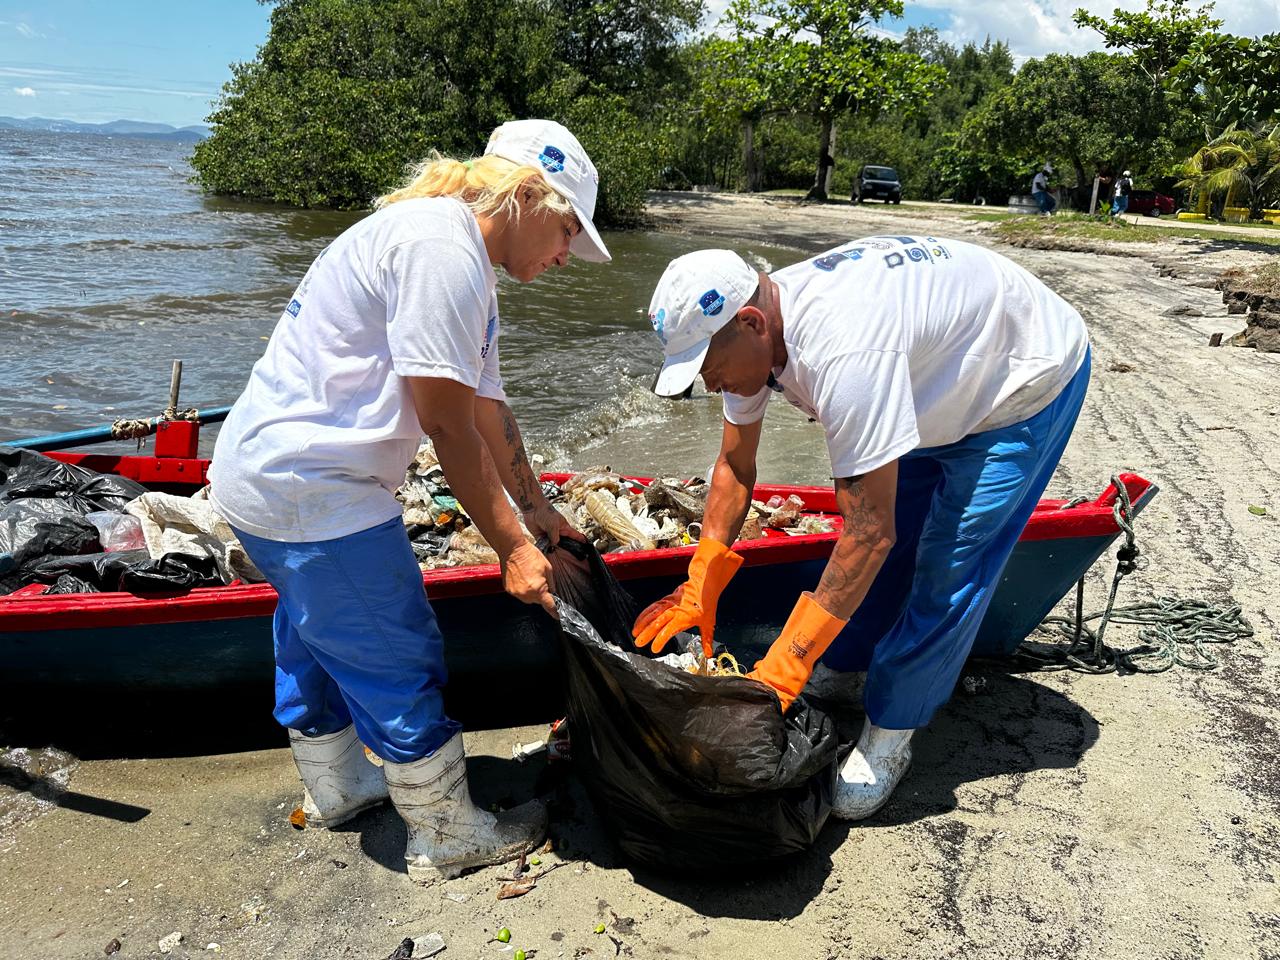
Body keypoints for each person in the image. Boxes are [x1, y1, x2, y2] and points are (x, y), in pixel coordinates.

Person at [208, 119, 610, 882]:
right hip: (315, 490)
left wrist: (536, 508)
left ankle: (341, 788)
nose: (566, 256)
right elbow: (447, 427)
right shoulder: (440, 251)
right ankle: (445, 831)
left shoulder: (449, 247)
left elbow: (487, 407)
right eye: (566, 231)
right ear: (526, 194)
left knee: (314, 638)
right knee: (395, 649)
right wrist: (514, 552)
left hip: (265, 477)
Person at [633, 236, 1089, 819]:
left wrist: (790, 656)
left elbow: (868, 533)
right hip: (935, 377)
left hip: (1023, 380)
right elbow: (735, 465)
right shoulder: (757, 335)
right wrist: (702, 576)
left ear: (750, 322)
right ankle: (849, 667)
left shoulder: (842, 352)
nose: (710, 385)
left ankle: (892, 732)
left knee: (948, 563)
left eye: (707, 368)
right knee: (887, 544)